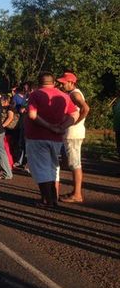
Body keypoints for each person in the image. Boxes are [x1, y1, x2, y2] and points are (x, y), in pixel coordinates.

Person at [24, 72, 78, 208]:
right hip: (56, 138)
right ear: (53, 82)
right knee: (53, 167)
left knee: (41, 169)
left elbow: (32, 115)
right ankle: (53, 198)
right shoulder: (64, 95)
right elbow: (74, 114)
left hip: (37, 136)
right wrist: (61, 127)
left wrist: (49, 126)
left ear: (38, 83)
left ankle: (47, 200)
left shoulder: (35, 94)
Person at [58, 72, 90, 203]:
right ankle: (75, 192)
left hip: (73, 134)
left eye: (63, 82)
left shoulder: (75, 94)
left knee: (75, 164)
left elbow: (86, 108)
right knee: (74, 163)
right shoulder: (73, 93)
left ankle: (77, 194)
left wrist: (76, 122)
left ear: (71, 82)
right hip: (73, 133)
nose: (61, 84)